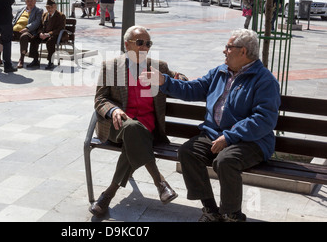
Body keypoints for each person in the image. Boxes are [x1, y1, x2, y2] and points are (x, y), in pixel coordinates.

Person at [140, 29, 281, 222]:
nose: (224, 51)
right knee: (188, 152)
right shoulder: (220, 72)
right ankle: (211, 210)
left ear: (243, 51)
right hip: (215, 134)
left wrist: (229, 136)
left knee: (225, 161)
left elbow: (264, 119)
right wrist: (165, 81)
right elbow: (193, 89)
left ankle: (232, 215)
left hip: (251, 141)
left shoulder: (264, 80)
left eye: (228, 47)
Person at [90, 25, 188, 218]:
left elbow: (178, 79)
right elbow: (100, 100)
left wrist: (179, 78)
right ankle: (159, 181)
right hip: (117, 126)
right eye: (140, 43)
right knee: (132, 128)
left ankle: (108, 194)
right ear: (127, 45)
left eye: (148, 43)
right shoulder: (110, 67)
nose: (145, 47)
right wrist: (113, 109)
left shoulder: (158, 67)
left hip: (148, 126)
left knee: (135, 132)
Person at [27, 0, 66, 70]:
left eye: (51, 7)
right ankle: (35, 60)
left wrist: (48, 34)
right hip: (44, 34)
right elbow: (40, 26)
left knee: (50, 42)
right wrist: (40, 33)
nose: (50, 9)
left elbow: (60, 28)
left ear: (55, 7)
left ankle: (50, 62)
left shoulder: (60, 15)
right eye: (48, 7)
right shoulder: (45, 14)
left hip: (55, 35)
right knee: (34, 39)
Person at [15, 0, 44, 69]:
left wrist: (27, 28)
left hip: (29, 32)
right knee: (2, 34)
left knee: (24, 37)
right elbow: (14, 20)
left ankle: (21, 59)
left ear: (35, 1)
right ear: (25, 2)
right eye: (28, 1)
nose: (29, 2)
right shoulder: (21, 10)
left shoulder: (38, 10)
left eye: (31, 1)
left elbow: (37, 22)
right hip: (15, 30)